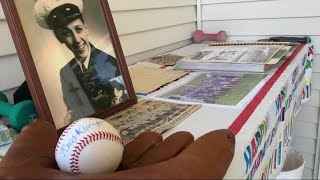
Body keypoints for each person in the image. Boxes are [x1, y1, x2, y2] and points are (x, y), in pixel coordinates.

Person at [33, 0, 128, 124]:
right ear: (59, 38)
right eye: (67, 33)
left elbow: (121, 102)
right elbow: (72, 108)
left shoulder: (110, 63)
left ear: (86, 29)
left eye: (78, 29)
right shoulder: (65, 72)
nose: (77, 40)